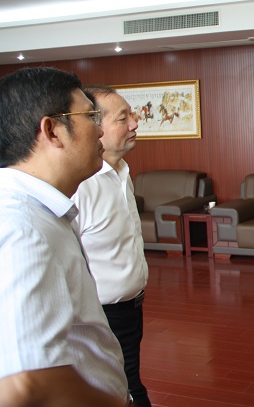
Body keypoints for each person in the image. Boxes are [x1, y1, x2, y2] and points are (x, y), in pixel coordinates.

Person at [0, 67, 131, 406]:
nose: (100, 130)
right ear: (52, 131)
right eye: (90, 116)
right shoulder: (23, 226)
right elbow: (27, 382)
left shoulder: (41, 210)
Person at [72, 85, 151, 407]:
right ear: (95, 127)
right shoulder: (81, 185)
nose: (134, 123)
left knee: (128, 380)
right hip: (101, 316)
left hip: (132, 307)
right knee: (125, 390)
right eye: (123, 118)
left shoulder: (121, 172)